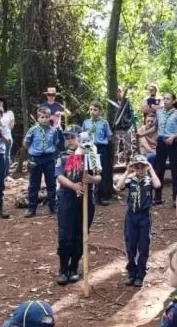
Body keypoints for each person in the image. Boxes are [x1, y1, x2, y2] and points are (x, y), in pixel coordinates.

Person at [55, 126, 102, 286]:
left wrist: (92, 179)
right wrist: (74, 186)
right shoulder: (63, 157)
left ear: (80, 138)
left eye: (73, 137)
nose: (69, 140)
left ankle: (74, 266)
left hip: (86, 200)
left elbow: (99, 176)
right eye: (67, 138)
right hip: (67, 198)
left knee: (81, 234)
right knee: (65, 234)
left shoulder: (90, 155)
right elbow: (60, 176)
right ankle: (63, 268)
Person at [114, 155, 161, 287]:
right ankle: (131, 272)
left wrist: (151, 169)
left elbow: (158, 185)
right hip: (131, 216)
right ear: (134, 168)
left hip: (144, 217)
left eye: (142, 167)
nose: (140, 169)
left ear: (146, 167)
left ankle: (141, 273)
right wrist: (127, 171)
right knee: (130, 245)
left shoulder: (149, 181)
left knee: (144, 245)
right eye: (137, 167)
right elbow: (118, 186)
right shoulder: (131, 180)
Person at [23, 105, 62, 218]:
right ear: (38, 118)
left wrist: (51, 152)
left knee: (51, 183)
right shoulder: (33, 130)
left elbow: (55, 142)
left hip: (49, 158)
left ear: (50, 117)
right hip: (36, 159)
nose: (44, 119)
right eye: (42, 117)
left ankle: (53, 206)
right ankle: (31, 208)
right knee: (34, 184)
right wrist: (32, 151)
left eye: (46, 117)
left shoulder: (53, 130)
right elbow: (26, 142)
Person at [154, 93, 177, 206]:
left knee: (174, 170)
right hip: (161, 143)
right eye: (164, 98)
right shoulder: (159, 112)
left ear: (173, 101)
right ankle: (157, 197)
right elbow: (155, 128)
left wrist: (173, 137)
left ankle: (175, 198)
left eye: (168, 99)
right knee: (159, 169)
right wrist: (142, 134)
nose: (165, 100)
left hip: (174, 143)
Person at [82, 101, 114, 206]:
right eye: (91, 109)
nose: (92, 112)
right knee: (89, 170)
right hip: (89, 148)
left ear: (100, 111)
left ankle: (102, 196)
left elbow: (109, 136)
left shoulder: (104, 123)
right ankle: (90, 196)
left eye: (95, 110)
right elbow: (83, 136)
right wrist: (85, 151)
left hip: (101, 148)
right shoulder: (86, 122)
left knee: (101, 171)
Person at [111, 86, 137, 166]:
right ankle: (115, 162)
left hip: (126, 126)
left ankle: (128, 162)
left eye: (119, 91)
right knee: (115, 146)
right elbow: (111, 115)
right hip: (116, 127)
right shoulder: (113, 102)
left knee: (128, 145)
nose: (118, 93)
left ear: (122, 92)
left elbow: (131, 113)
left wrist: (128, 123)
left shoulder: (126, 101)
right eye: (116, 91)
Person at [0, 96, 15, 166]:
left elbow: (11, 124)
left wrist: (5, 132)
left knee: (6, 155)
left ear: (3, 103)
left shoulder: (9, 113)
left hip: (6, 135)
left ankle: (6, 170)